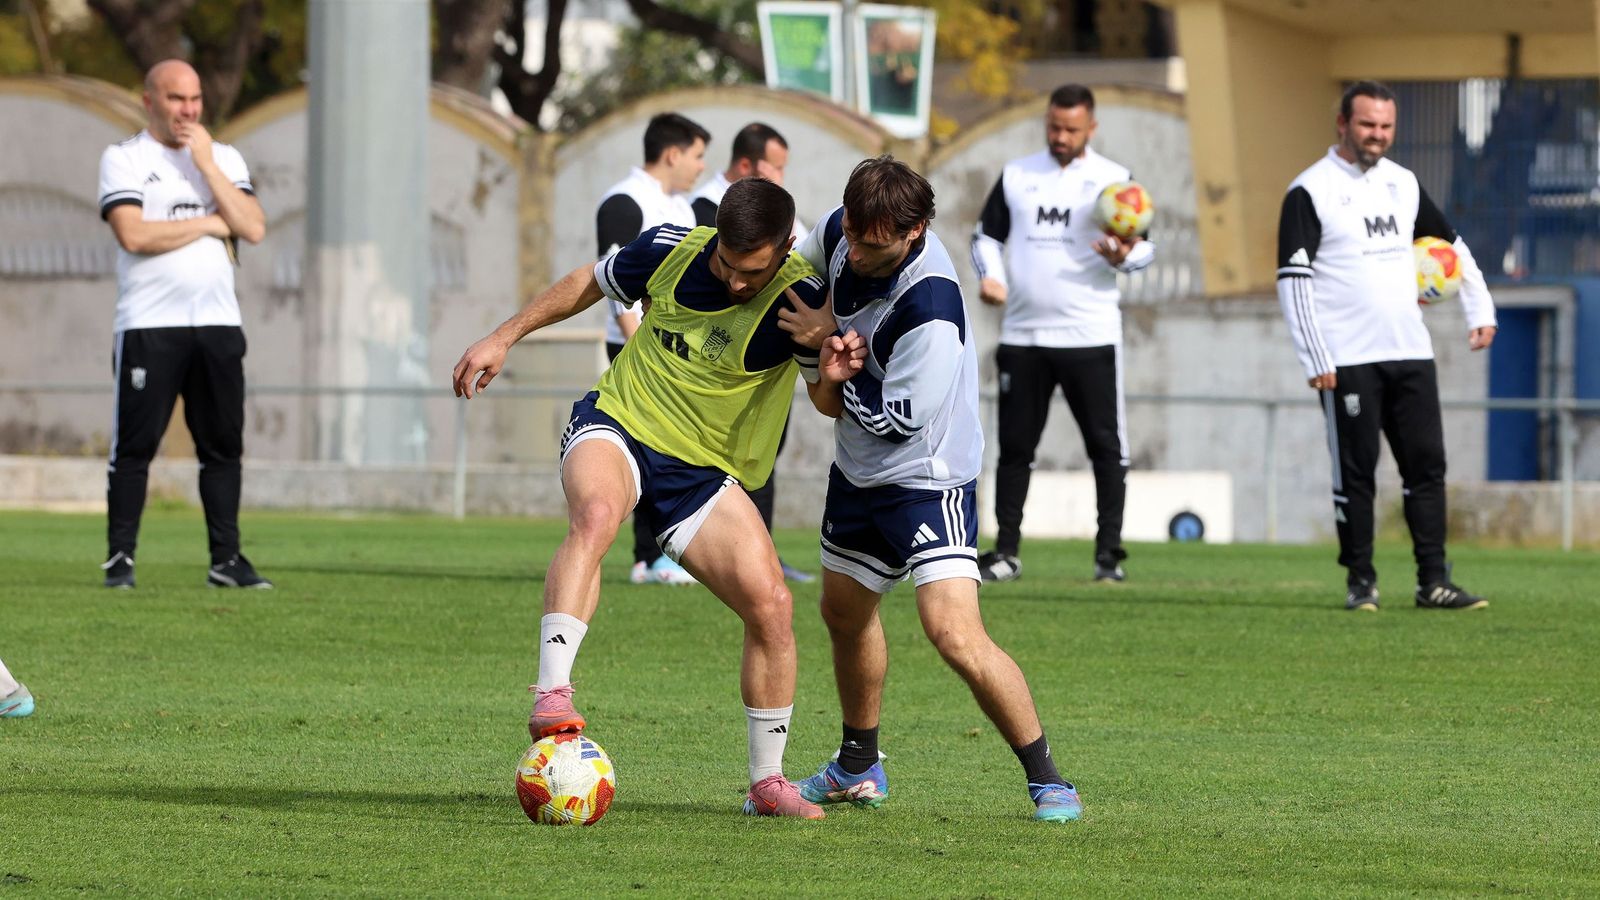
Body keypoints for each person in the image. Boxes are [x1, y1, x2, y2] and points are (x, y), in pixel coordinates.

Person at [452, 177, 863, 819]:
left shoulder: (802, 302)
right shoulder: (671, 248)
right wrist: (505, 335)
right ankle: (552, 694)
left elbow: (824, 402)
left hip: (699, 471)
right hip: (618, 421)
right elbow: (589, 281)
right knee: (595, 517)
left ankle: (767, 782)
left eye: (750, 270)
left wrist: (832, 372)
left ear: (786, 247)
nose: (733, 281)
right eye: (726, 262)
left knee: (773, 605)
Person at [780, 156, 1083, 823]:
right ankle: (859, 766)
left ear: (914, 232)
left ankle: (1049, 779)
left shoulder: (932, 308)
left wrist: (826, 347)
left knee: (952, 631)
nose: (856, 252)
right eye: (853, 235)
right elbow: (796, 279)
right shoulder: (841, 230)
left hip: (925, 478)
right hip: (855, 474)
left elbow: (896, 420)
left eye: (875, 244)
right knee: (842, 612)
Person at [1276, 80, 1497, 611]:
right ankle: (1361, 582)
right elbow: (1293, 278)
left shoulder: (1404, 184)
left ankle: (1434, 581)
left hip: (1410, 353)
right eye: (1367, 124)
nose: (1377, 135)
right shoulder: (1311, 190)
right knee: (1355, 473)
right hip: (1346, 360)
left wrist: (1480, 309)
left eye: (1386, 126)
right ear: (1343, 124)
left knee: (1427, 468)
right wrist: (1316, 357)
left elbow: (1451, 248)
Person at [969, 84, 1154, 584]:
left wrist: (1124, 257)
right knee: (1014, 448)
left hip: (1090, 336)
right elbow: (986, 237)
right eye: (1054, 126)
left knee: (1106, 447)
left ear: (1090, 129)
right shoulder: (1018, 174)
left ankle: (1108, 556)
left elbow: (1144, 249)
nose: (1060, 136)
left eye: (1071, 129)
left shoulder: (1115, 181)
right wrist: (993, 276)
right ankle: (1006, 552)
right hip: (1024, 336)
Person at [96, 59, 270, 590]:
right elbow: (134, 235)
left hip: (217, 323)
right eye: (176, 99)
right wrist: (210, 223)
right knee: (134, 447)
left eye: (194, 99)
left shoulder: (222, 157)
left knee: (222, 445)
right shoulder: (123, 158)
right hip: (149, 324)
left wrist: (207, 165)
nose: (188, 110)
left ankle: (227, 560)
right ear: (150, 100)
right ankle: (120, 560)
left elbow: (253, 227)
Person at [690, 122, 812, 583]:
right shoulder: (702, 211)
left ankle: (763, 557)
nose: (782, 175)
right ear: (747, 165)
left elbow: (807, 269)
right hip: (713, 359)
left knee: (762, 452)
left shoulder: (781, 215)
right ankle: (668, 555)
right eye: (775, 167)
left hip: (768, 358)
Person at [596, 112, 709, 587]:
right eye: (699, 155)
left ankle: (670, 550)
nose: (702, 167)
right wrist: (646, 349)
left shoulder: (682, 208)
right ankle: (648, 557)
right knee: (647, 447)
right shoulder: (624, 201)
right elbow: (614, 280)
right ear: (673, 153)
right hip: (637, 350)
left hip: (678, 352)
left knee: (676, 447)